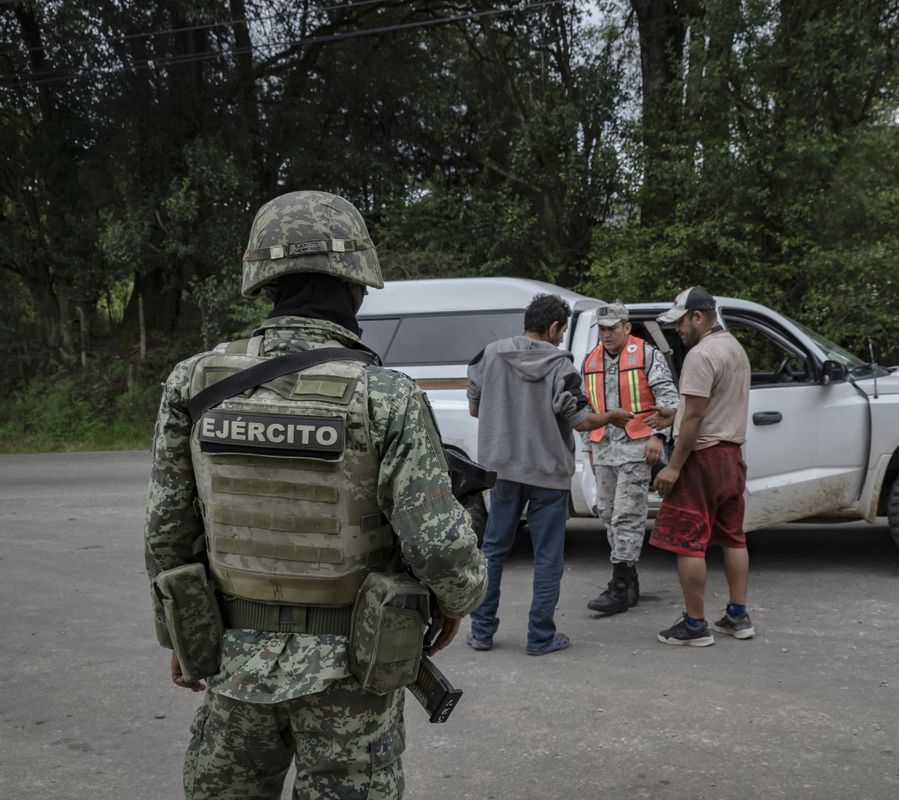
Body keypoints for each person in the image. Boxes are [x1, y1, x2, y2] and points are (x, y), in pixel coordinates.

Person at [144, 190, 486, 799]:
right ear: (357, 284)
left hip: (232, 661)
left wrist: (179, 633)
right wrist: (459, 600)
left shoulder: (192, 383)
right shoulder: (387, 395)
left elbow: (167, 532)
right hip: (354, 668)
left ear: (264, 280)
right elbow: (437, 545)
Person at [466, 294, 633, 655]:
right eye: (562, 331)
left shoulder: (489, 355)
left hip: (503, 470)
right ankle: (540, 637)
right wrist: (610, 417)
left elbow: (476, 408)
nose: (561, 339)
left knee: (493, 551)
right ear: (555, 327)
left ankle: (481, 632)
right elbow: (580, 420)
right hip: (548, 475)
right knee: (547, 558)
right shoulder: (562, 366)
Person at [647, 286, 753, 647]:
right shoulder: (733, 348)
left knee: (688, 542)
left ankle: (695, 625)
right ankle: (738, 616)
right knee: (734, 537)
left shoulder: (700, 354)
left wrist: (673, 467)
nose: (677, 329)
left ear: (698, 317)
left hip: (702, 458)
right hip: (731, 457)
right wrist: (673, 415)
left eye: (680, 322)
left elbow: (695, 418)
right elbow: (706, 407)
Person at [581, 301, 679, 615]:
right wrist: (590, 450)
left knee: (628, 515)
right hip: (604, 449)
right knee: (608, 513)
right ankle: (630, 578)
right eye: (602, 329)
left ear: (626, 327)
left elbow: (668, 399)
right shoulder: (591, 359)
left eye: (612, 328)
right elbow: (587, 410)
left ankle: (620, 585)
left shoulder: (647, 355)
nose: (607, 334)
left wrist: (658, 437)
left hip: (639, 448)